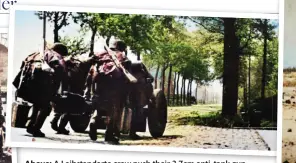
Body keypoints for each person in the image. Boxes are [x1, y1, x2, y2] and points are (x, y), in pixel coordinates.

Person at [26, 43, 68, 137]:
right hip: (46, 87)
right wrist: (55, 89)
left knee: (37, 106)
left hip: (36, 86)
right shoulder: (55, 56)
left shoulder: (42, 54)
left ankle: (30, 126)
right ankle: (36, 129)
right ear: (60, 51)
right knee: (46, 108)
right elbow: (59, 71)